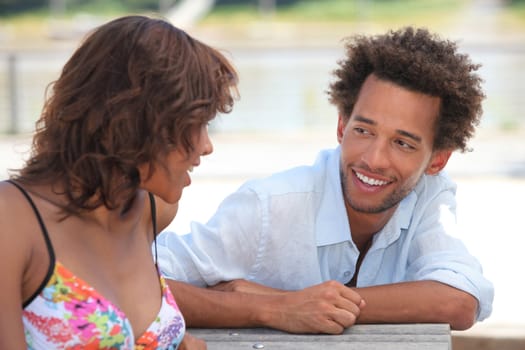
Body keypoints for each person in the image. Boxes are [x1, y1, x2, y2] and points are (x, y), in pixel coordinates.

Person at [156, 26, 494, 334]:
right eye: (363, 131)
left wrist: (295, 301)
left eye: (402, 143)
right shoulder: (269, 206)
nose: (374, 159)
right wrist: (272, 308)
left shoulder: (430, 195)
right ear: (341, 126)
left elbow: (459, 301)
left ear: (437, 160)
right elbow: (140, 283)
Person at [0, 15, 238, 349]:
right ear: (140, 123)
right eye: (196, 123)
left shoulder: (151, 209)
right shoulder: (11, 220)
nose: (206, 146)